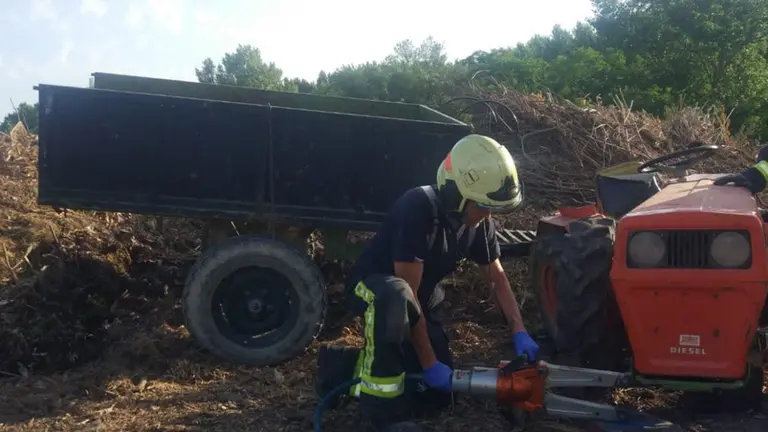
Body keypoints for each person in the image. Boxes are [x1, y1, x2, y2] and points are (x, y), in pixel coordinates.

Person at [314, 134, 540, 431]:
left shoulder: (479, 222)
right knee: (397, 303)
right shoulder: (418, 209)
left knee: (433, 397)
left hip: (420, 295)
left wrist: (519, 330)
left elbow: (496, 277)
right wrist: (430, 362)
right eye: (483, 206)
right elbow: (409, 292)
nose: (488, 215)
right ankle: (380, 413)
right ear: (457, 195)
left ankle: (344, 367)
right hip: (376, 290)